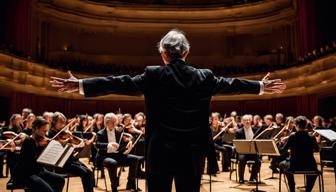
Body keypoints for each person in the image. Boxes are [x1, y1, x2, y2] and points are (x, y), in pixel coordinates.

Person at [50, 29, 286, 192]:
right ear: (186, 53)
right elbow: (232, 84)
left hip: (160, 151)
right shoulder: (204, 76)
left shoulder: (153, 74)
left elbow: (119, 82)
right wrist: (261, 87)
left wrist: (80, 84)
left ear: (163, 54)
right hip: (192, 153)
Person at [15, 116, 65, 192]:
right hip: (28, 173)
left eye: (47, 131)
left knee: (61, 180)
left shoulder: (40, 141)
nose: (46, 134)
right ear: (36, 129)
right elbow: (31, 164)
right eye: (44, 131)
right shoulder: (28, 141)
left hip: (39, 171)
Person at [96, 113, 142, 192]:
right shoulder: (100, 133)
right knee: (112, 163)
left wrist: (129, 142)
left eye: (115, 122)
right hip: (105, 156)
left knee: (135, 159)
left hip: (117, 155)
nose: (115, 124)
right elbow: (98, 144)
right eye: (113, 122)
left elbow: (123, 143)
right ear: (107, 123)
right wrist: (109, 144)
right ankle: (114, 188)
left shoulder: (118, 132)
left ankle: (130, 183)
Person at [279, 116, 319, 192]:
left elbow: (282, 151)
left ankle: (292, 187)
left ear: (296, 125)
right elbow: (317, 149)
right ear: (306, 125)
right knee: (314, 172)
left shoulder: (292, 136)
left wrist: (281, 143)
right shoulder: (311, 137)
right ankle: (308, 190)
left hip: (295, 166)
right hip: (310, 166)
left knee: (282, 164)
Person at [235, 114, 261, 184]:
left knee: (258, 162)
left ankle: (252, 178)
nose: (247, 121)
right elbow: (236, 144)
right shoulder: (239, 132)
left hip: (253, 152)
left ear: (251, 121)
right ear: (242, 122)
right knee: (242, 159)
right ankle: (241, 178)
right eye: (246, 120)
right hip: (243, 152)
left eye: (249, 120)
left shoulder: (255, 130)